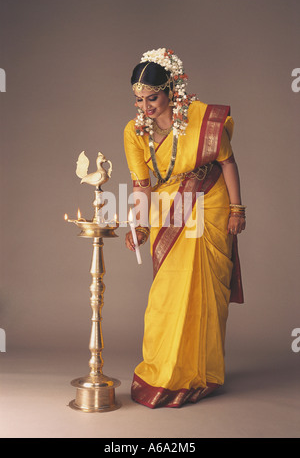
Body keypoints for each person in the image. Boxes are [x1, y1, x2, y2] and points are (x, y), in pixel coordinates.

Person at [124, 48, 245, 408]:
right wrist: (140, 225)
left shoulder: (201, 118)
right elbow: (141, 185)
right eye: (139, 100)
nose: (146, 107)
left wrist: (237, 209)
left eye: (153, 98)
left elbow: (228, 162)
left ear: (172, 90)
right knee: (167, 295)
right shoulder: (134, 132)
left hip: (210, 201)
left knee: (206, 291)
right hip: (168, 211)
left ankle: (202, 374)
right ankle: (164, 373)